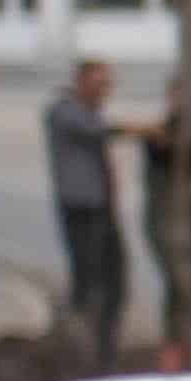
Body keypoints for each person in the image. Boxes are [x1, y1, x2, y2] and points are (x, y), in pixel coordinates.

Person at [38, 57, 128, 359]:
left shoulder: (88, 112)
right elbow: (97, 131)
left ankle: (103, 342)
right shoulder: (65, 112)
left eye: (107, 84)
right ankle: (79, 345)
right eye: (99, 84)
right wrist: (146, 130)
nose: (105, 91)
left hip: (101, 206)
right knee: (87, 276)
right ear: (81, 82)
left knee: (113, 276)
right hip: (81, 207)